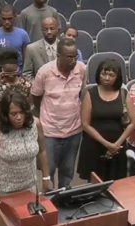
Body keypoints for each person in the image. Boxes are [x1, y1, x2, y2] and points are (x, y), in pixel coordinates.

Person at [31, 37, 85, 188]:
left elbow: (81, 94)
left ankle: (64, 199)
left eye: (75, 56)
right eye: (69, 57)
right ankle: (50, 202)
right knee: (50, 170)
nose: (73, 60)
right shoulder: (45, 72)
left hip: (74, 130)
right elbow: (36, 97)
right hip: (50, 131)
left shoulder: (81, 69)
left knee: (67, 170)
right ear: (58, 56)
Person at [0, 90, 52, 204]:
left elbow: (42, 151)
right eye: (13, 114)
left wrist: (46, 177)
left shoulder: (36, 124)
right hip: (6, 189)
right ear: (5, 115)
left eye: (21, 112)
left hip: (30, 186)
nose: (19, 117)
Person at [77, 59, 135, 181]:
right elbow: (85, 124)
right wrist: (107, 144)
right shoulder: (90, 93)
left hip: (117, 146)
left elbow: (133, 122)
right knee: (95, 184)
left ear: (117, 77)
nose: (107, 78)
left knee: (118, 184)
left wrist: (117, 144)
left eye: (111, 75)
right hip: (94, 145)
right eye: (104, 73)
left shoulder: (123, 93)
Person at [0, 48, 32, 124]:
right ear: (2, 70)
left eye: (13, 73)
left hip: (22, 123)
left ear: (18, 69)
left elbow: (29, 106)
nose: (11, 76)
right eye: (8, 74)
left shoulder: (26, 85)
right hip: (3, 124)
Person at [0, 5, 31, 71]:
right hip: (1, 74)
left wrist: (24, 73)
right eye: (4, 19)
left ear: (15, 17)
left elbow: (27, 59)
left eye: (9, 18)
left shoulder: (23, 34)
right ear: (0, 17)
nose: (7, 22)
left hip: (19, 73)